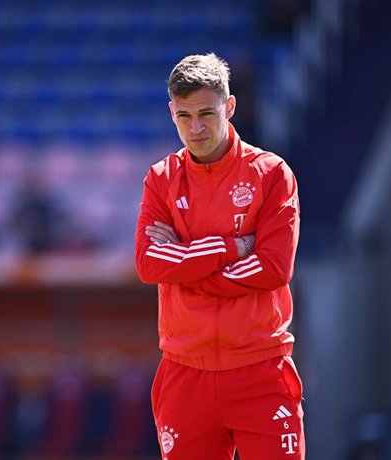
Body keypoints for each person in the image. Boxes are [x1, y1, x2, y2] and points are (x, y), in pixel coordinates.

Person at [135, 53, 304, 459]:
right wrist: (235, 248)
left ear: (229, 107)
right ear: (171, 113)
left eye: (207, 113)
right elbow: (149, 265)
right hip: (184, 370)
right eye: (184, 116)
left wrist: (186, 262)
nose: (196, 128)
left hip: (260, 369)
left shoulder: (271, 174)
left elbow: (275, 268)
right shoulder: (160, 179)